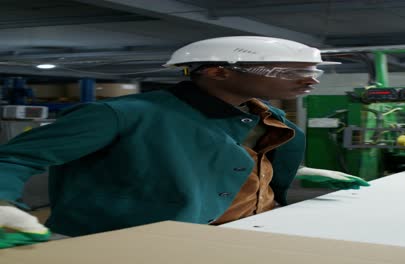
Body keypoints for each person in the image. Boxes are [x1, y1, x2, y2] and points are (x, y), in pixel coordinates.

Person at [0, 36, 368, 248]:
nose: (312, 81)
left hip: (247, 234)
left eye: (314, 71)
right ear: (216, 71)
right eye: (292, 72)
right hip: (138, 245)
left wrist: (296, 171)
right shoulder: (124, 114)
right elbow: (14, 158)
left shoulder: (268, 116)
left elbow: (230, 157)